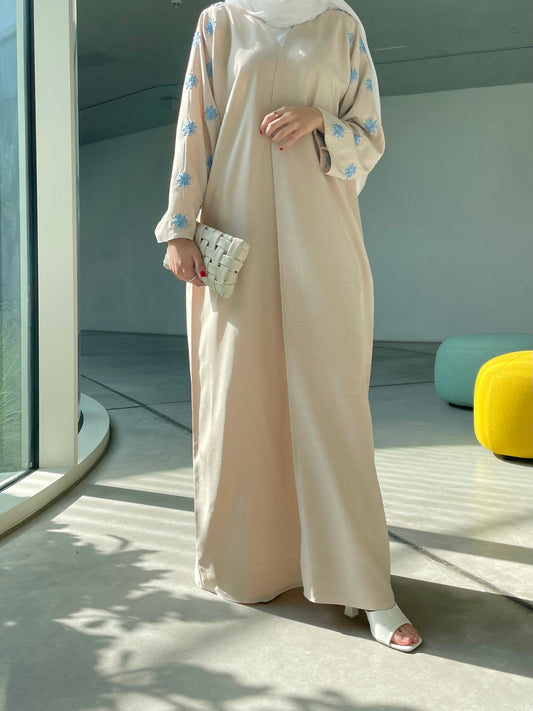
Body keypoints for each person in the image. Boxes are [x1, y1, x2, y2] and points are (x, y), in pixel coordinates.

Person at [154, 0, 422, 653]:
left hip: (322, 236)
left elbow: (370, 137)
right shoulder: (220, 22)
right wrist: (179, 226)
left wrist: (320, 119)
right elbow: (195, 128)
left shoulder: (341, 25)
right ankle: (251, 563)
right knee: (240, 403)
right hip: (236, 233)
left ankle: (364, 584)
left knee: (333, 407)